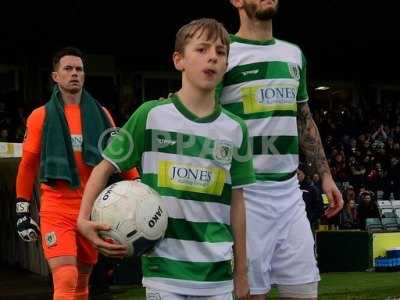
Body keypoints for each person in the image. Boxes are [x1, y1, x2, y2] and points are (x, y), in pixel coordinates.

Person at [77, 18, 255, 299]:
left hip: (218, 277)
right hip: (164, 275)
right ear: (179, 60)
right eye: (202, 49)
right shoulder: (151, 115)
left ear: (226, 65)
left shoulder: (236, 129)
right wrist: (82, 219)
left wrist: (242, 272)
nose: (213, 57)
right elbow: (103, 168)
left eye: (221, 52)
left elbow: (238, 202)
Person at [218, 1, 344, 299]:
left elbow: (304, 119)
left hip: (289, 193)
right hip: (244, 195)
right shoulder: (222, 53)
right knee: (250, 294)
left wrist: (325, 176)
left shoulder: (293, 53)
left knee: (304, 291)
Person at [15, 46, 138, 300]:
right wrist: (22, 211)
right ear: (55, 76)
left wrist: (138, 185)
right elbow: (27, 165)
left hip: (90, 209)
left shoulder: (101, 114)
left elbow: (120, 155)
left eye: (79, 69)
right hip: (56, 208)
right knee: (66, 278)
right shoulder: (40, 116)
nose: (74, 74)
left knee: (82, 282)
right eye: (68, 69)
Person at [297, 164, 324, 233]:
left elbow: (319, 208)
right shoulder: (294, 188)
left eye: (298, 174)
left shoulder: (312, 188)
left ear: (304, 174)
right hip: (296, 224)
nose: (296, 177)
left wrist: (308, 219)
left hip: (309, 224)